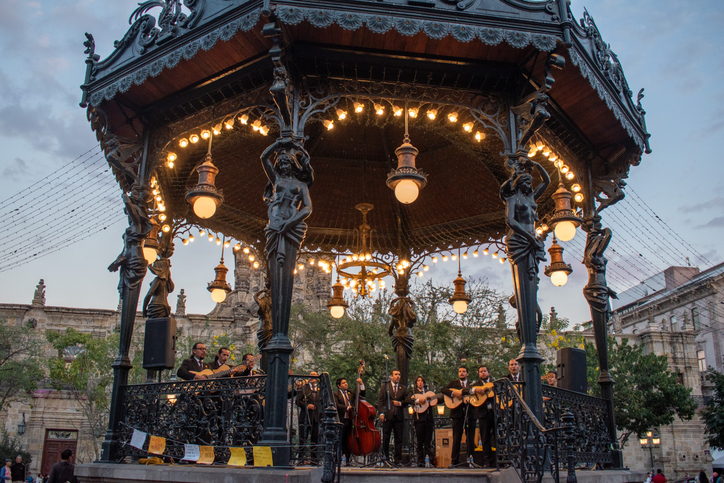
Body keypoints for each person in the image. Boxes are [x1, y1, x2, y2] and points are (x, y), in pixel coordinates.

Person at [442, 366, 476, 468]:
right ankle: (454, 461)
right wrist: (454, 393)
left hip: (470, 414)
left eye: (464, 371)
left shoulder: (472, 385)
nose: (461, 373)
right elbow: (443, 389)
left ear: (467, 374)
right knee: (456, 438)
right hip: (457, 415)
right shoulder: (453, 384)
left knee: (470, 438)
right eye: (460, 371)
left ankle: (470, 460)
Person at [377, 369, 407, 465]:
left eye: (399, 374)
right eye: (396, 374)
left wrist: (400, 403)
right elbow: (381, 401)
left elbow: (407, 401)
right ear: (391, 376)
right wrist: (381, 413)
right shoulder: (385, 386)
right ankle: (386, 458)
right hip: (388, 416)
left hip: (398, 417)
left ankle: (397, 460)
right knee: (386, 438)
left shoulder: (403, 388)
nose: (398, 376)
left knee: (398, 439)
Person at [334, 376, 365, 464]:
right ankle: (339, 457)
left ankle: (348, 458)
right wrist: (347, 408)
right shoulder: (336, 394)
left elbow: (361, 396)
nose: (346, 384)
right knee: (340, 438)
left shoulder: (350, 393)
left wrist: (361, 385)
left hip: (351, 419)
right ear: (339, 386)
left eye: (346, 382)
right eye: (343, 383)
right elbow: (337, 405)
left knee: (349, 439)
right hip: (341, 419)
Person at [406, 375, 435, 467]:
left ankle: (428, 460)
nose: (420, 382)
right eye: (418, 381)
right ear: (416, 383)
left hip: (428, 419)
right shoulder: (413, 392)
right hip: (419, 420)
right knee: (419, 441)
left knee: (428, 441)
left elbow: (437, 400)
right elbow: (408, 400)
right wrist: (418, 400)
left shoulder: (428, 392)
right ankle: (420, 460)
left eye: (421, 380)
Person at [469, 365, 495, 467]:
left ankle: (500, 459)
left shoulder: (494, 383)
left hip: (494, 412)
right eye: (481, 371)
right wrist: (476, 391)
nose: (483, 373)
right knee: (485, 438)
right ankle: (487, 461)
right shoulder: (476, 385)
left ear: (488, 372)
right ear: (478, 373)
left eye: (484, 371)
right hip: (483, 414)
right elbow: (467, 390)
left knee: (497, 436)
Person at [296, 371, 321, 464]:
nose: (312, 377)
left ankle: (314, 459)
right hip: (305, 417)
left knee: (315, 439)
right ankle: (301, 458)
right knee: (303, 438)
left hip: (315, 417)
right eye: (311, 375)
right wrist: (306, 406)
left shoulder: (320, 390)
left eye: (314, 376)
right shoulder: (304, 388)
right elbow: (297, 401)